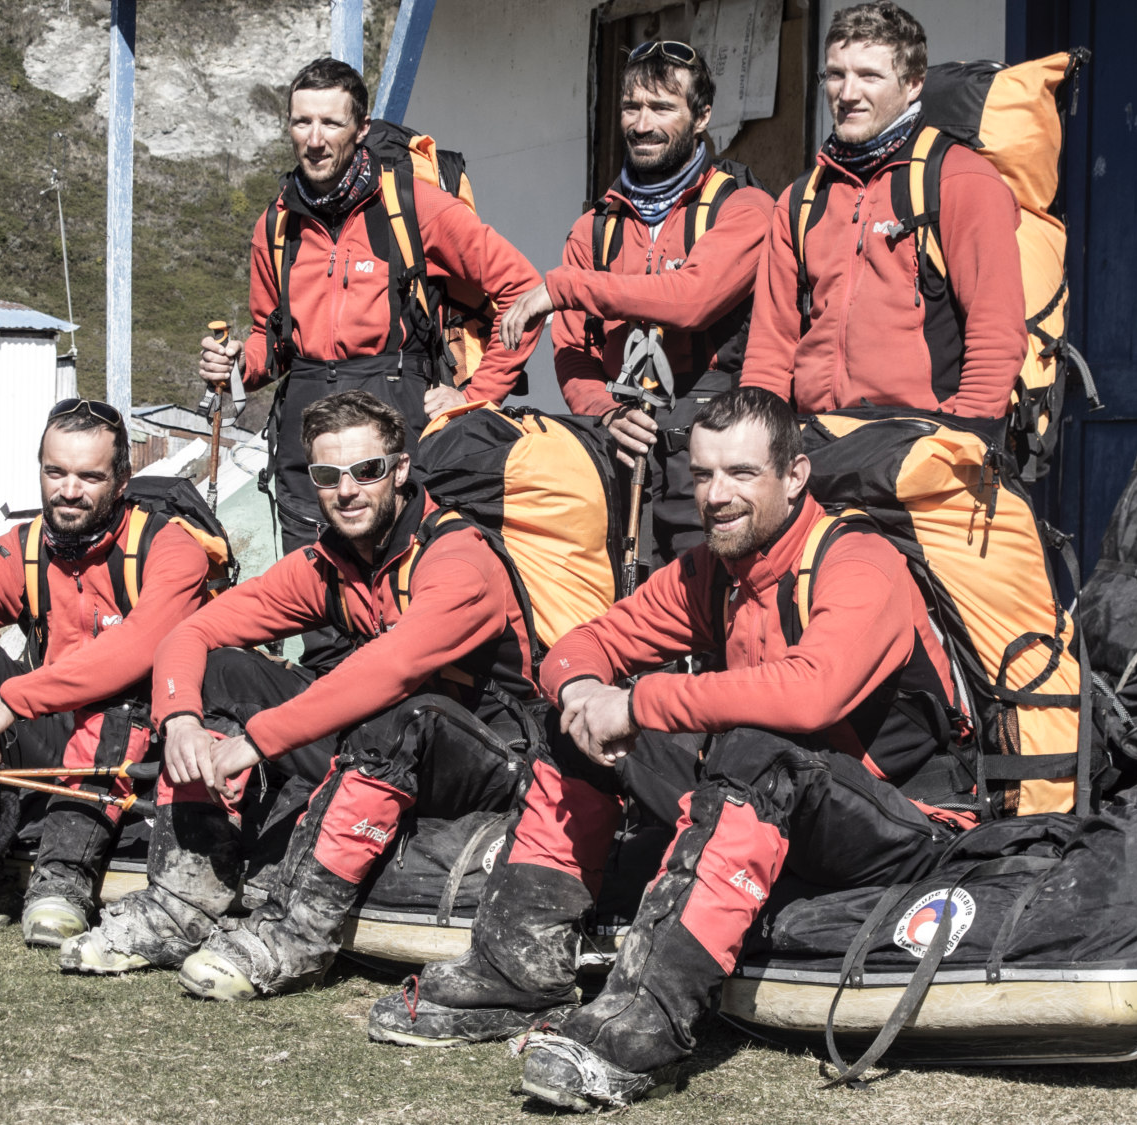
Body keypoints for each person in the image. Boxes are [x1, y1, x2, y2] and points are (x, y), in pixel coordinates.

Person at [366, 386, 975, 1109]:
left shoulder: (855, 560)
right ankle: (516, 967)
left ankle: (642, 1020)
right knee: (574, 727)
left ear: (796, 476)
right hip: (786, 801)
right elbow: (575, 648)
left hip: (908, 824)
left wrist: (638, 700)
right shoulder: (710, 570)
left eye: (743, 474)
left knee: (751, 745)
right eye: (704, 475)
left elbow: (810, 695)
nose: (717, 495)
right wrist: (585, 696)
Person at [62, 391, 540, 999]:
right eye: (327, 475)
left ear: (399, 470)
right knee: (224, 670)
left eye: (367, 472)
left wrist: (255, 743)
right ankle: (182, 903)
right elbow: (193, 631)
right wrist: (179, 717)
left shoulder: (456, 558)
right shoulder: (328, 563)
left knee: (396, 704)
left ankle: (295, 936)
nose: (348, 491)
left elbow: (391, 669)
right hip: (385, 747)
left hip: (489, 760)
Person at [198, 57, 544, 673]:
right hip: (305, 419)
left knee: (404, 589)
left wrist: (479, 392)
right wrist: (232, 367)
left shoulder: (417, 207)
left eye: (331, 122)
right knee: (318, 598)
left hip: (396, 411)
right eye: (301, 122)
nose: (314, 137)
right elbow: (269, 341)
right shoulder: (275, 225)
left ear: (360, 129)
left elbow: (522, 290)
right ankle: (326, 739)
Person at [0, 400, 210, 947]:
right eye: (56, 472)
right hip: (51, 737)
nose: (68, 491)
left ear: (122, 480)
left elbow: (135, 651)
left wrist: (7, 706)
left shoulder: (170, 549)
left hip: (142, 756)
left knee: (121, 688)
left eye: (89, 476)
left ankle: (65, 875)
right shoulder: (20, 551)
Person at [501, 40, 773, 567]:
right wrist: (603, 413)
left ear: (702, 116)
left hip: (720, 453)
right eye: (632, 107)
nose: (642, 124)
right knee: (632, 619)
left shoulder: (743, 207)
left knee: (718, 616)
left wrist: (564, 287)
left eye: (663, 107)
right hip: (622, 455)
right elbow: (572, 349)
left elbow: (692, 300)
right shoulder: (594, 229)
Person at [741, 2, 1026, 418]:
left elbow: (997, 334)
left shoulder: (959, 180)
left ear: (913, 83)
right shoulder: (800, 199)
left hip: (923, 446)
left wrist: (963, 440)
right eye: (836, 74)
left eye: (869, 76)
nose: (847, 93)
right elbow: (770, 350)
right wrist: (758, 442)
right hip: (815, 444)